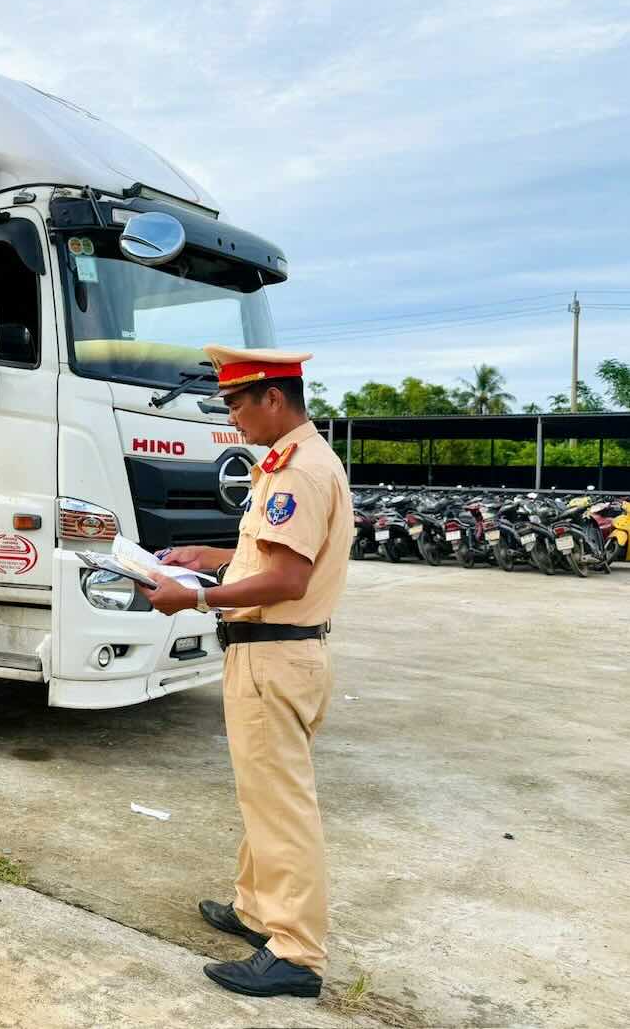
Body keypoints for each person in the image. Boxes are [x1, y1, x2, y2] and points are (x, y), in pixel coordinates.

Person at [144, 345, 353, 999]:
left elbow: (289, 579)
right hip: (269, 651)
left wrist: (195, 596)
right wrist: (208, 556)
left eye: (236, 404)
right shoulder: (287, 463)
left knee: (283, 803)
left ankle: (295, 951)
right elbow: (267, 553)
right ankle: (258, 910)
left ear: (272, 398)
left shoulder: (300, 470)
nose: (231, 418)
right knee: (262, 792)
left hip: (275, 651)